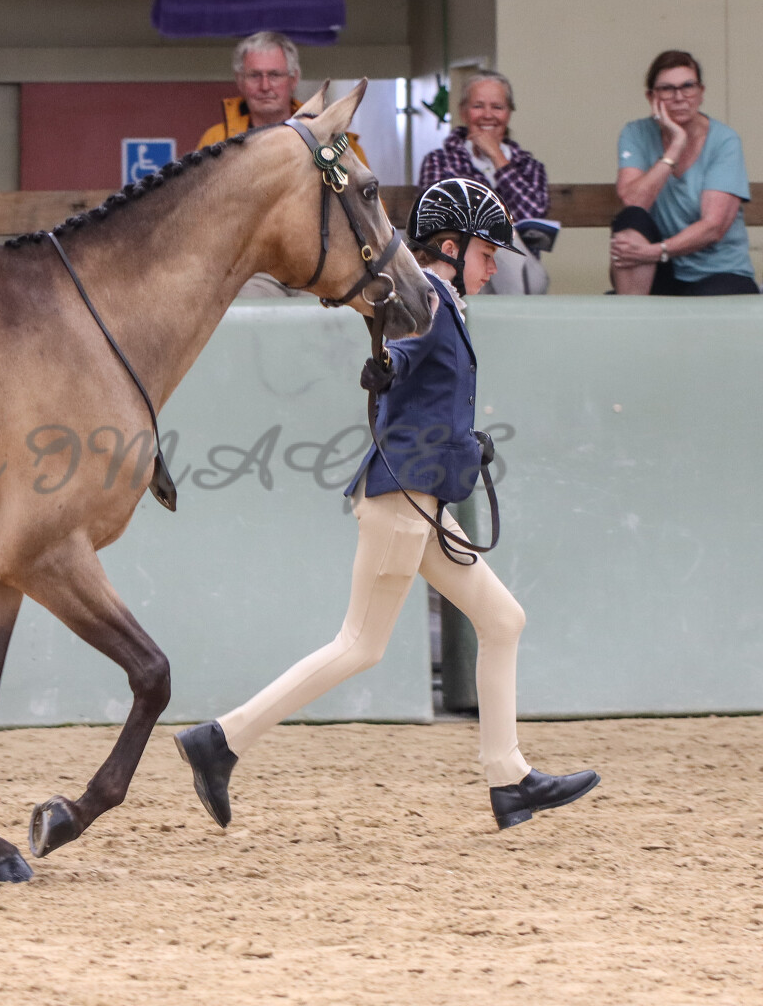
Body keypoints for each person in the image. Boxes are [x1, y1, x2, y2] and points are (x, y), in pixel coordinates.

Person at [174, 178, 600, 833]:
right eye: (487, 253)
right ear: (451, 247)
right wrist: (391, 368)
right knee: (359, 644)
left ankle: (509, 778)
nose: (495, 267)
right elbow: (403, 345)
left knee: (503, 620)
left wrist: (465, 442)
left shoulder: (444, 300)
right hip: (403, 499)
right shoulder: (427, 296)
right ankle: (221, 740)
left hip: (420, 502)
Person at [199, 31, 367, 297]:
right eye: (255, 75)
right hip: (251, 274)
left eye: (275, 75)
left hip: (327, 268)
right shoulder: (216, 142)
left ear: (294, 79)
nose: (265, 86)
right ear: (240, 81)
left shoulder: (336, 141)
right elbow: (201, 221)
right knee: (243, 304)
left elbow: (367, 211)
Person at [610, 50, 757, 296]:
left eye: (688, 86)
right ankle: (631, 312)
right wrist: (675, 146)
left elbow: (713, 227)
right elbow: (634, 201)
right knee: (631, 218)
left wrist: (656, 251)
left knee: (705, 304)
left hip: (718, 272)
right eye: (667, 89)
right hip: (659, 271)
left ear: (701, 92)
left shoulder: (724, 141)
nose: (679, 97)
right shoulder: (636, 133)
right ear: (651, 97)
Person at [418, 71, 551, 295]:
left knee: (501, 237)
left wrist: (498, 158)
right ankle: (516, 316)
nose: (488, 115)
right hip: (459, 269)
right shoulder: (440, 161)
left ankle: (512, 313)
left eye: (497, 107)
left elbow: (533, 213)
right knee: (491, 235)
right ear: (463, 112)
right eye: (478, 106)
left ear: (508, 113)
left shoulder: (529, 166)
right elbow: (437, 218)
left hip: (525, 272)